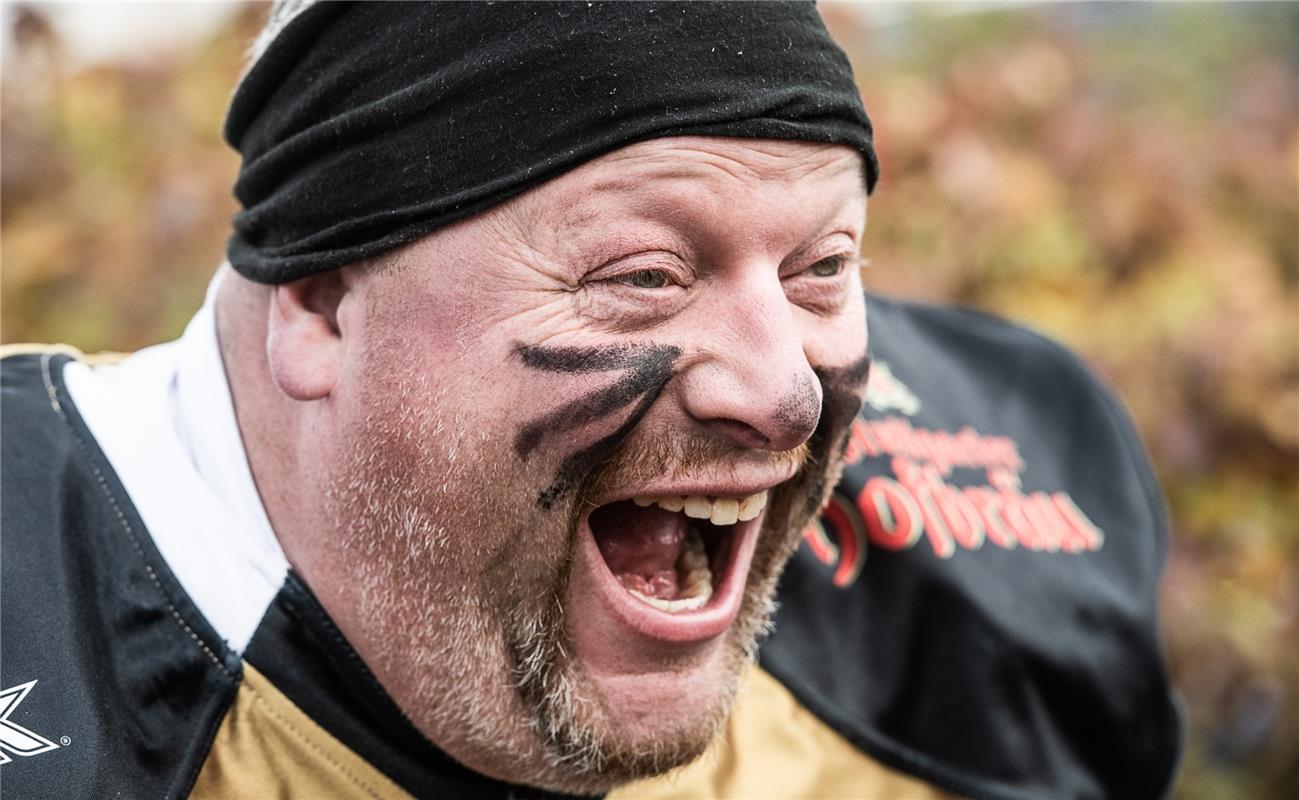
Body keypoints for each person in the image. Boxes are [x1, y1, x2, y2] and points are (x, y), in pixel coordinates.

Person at [0, 3, 1182, 798]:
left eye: (820, 268)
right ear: (321, 309)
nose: (781, 395)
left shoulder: (990, 570)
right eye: (644, 277)